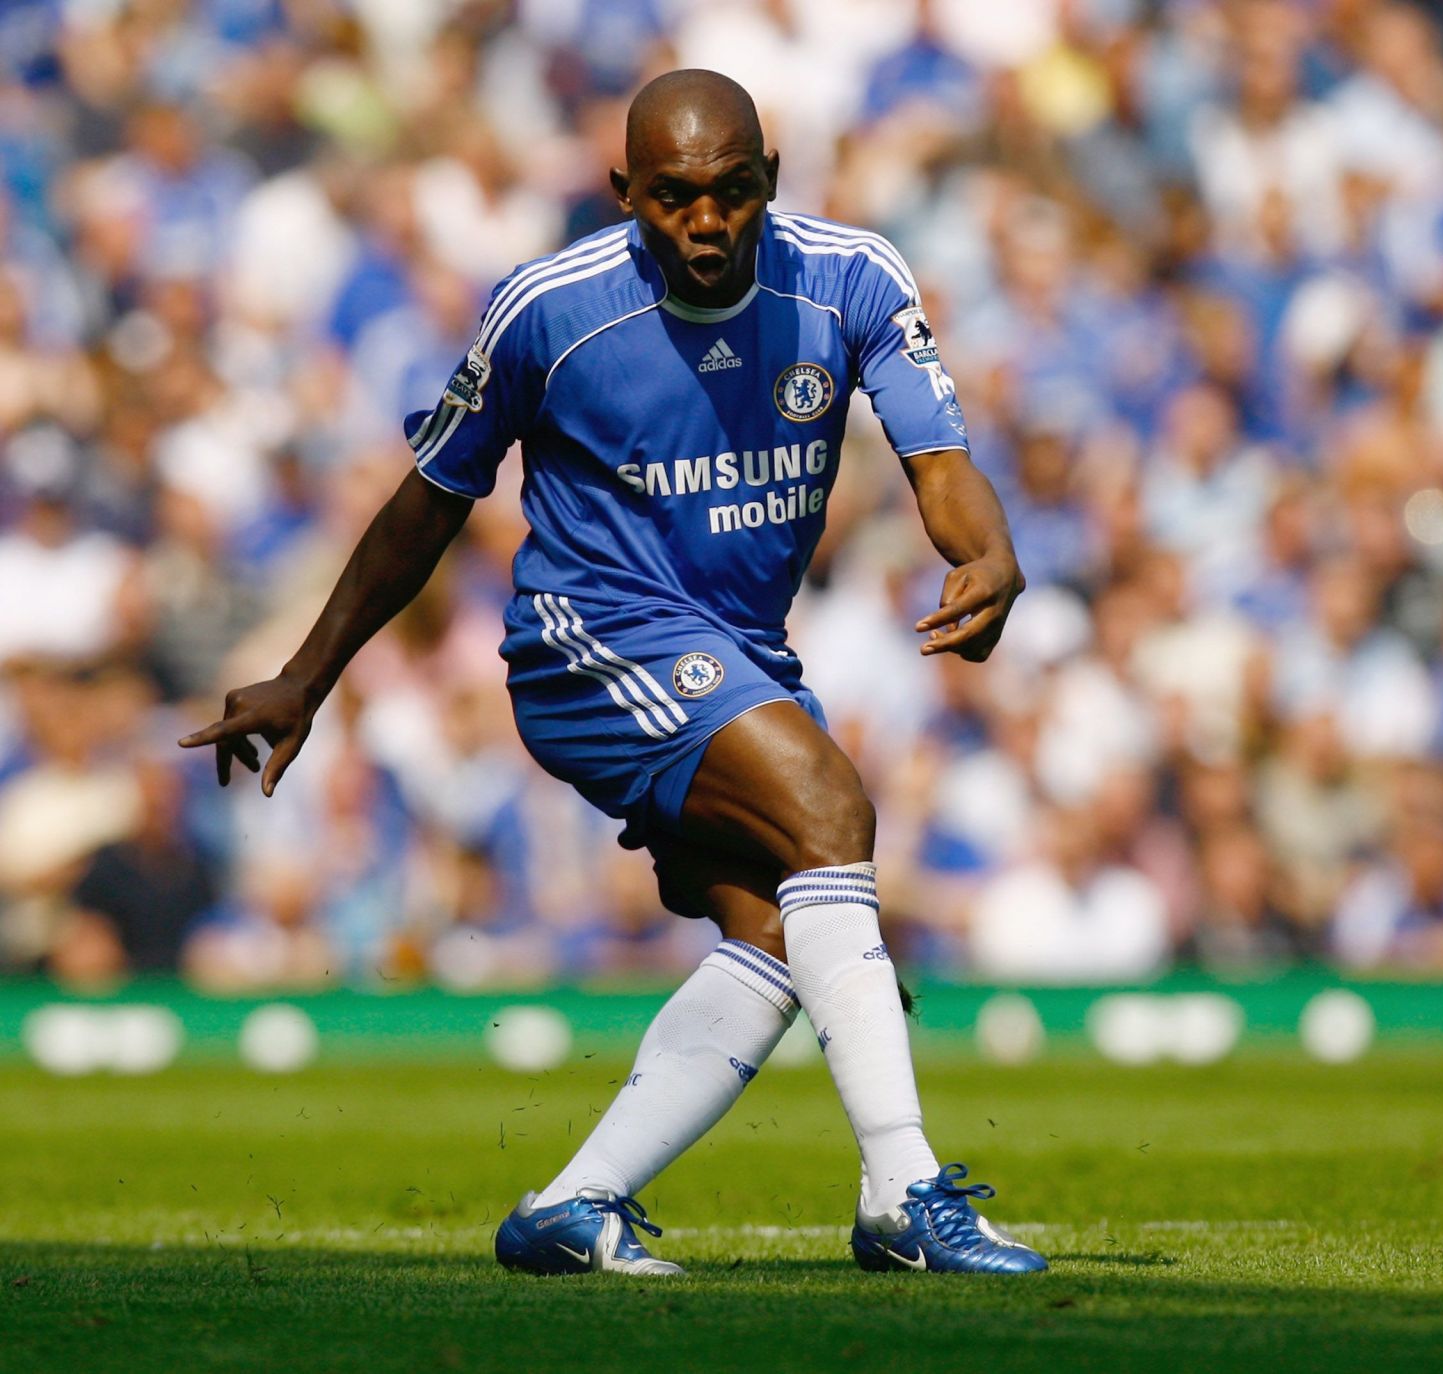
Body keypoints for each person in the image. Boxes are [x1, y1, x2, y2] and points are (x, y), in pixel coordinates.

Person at [180, 70, 1042, 1278]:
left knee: (783, 938)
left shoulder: (852, 277)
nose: (706, 223)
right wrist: (307, 677)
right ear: (623, 192)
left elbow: (939, 460)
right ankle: (905, 1193)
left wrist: (989, 553)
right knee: (834, 815)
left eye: (733, 194)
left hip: (740, 652)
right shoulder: (547, 308)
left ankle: (570, 1209)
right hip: (588, 641)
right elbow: (427, 504)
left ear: (771, 183)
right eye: (676, 197)